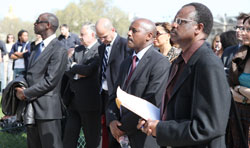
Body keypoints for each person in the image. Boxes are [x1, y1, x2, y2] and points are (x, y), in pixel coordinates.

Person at [137, 3, 231, 148]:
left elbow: (209, 126)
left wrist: (161, 129)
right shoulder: (179, 62)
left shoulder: (208, 64)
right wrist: (154, 121)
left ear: (198, 28)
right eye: (174, 19)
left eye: (180, 21)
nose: (174, 24)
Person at [106, 18, 170, 148]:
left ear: (149, 36)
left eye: (134, 31)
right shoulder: (126, 63)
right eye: (129, 29)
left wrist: (122, 127)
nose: (129, 33)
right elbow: (114, 95)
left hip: (142, 137)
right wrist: (112, 121)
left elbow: (151, 101)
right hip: (119, 137)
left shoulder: (160, 63)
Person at [15, 12, 68, 148]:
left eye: (38, 21)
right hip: (31, 108)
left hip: (48, 111)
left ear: (48, 25)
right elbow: (30, 74)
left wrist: (26, 93)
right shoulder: (36, 47)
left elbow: (51, 81)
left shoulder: (59, 49)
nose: (35, 23)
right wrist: (17, 86)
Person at [63, 23, 101, 148]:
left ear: (92, 34)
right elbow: (67, 68)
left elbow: (89, 70)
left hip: (90, 103)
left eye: (82, 34)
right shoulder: (78, 49)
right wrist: (76, 72)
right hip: (73, 102)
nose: (79, 37)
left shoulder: (100, 49)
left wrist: (74, 66)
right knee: (69, 138)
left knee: (91, 139)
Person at [96, 18, 131, 148]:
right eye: (99, 38)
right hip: (104, 95)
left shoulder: (125, 45)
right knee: (107, 132)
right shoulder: (101, 48)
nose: (102, 40)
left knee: (119, 132)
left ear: (112, 30)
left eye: (104, 37)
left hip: (119, 96)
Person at [227, 15, 250, 148]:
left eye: (248, 29)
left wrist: (240, 90)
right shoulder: (242, 55)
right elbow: (230, 88)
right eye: (242, 28)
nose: (243, 32)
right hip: (238, 115)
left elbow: (235, 89)